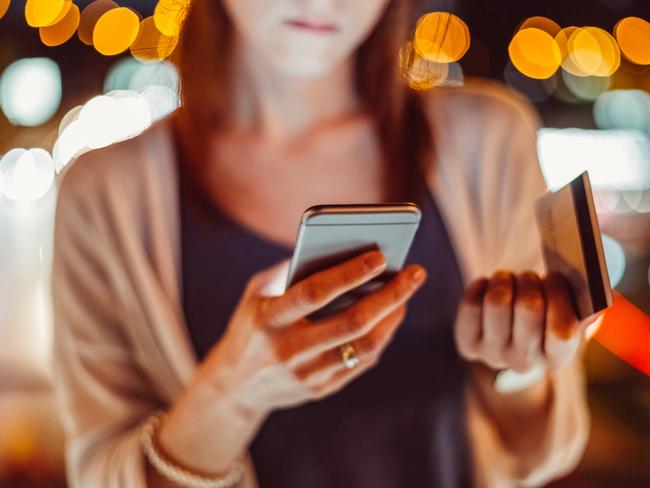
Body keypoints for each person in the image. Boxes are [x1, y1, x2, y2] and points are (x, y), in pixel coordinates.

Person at [51, 1, 596, 487]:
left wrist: (519, 365)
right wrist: (232, 393)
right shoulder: (105, 196)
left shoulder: (490, 140)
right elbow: (100, 471)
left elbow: (540, 455)